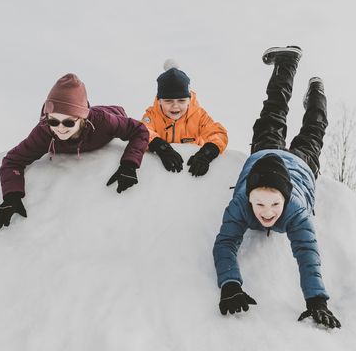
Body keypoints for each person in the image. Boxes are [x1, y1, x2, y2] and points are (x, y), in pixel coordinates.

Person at [212, 46, 341, 329]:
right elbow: (225, 243)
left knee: (311, 130)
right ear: (248, 198)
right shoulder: (241, 205)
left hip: (300, 166)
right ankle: (287, 62)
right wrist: (230, 284)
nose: (266, 213)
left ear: (286, 201)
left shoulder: (296, 212)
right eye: (259, 204)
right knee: (275, 111)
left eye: (274, 205)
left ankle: (317, 91)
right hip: (264, 158)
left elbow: (307, 253)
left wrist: (316, 300)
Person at [0, 73, 150, 228]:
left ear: (82, 118)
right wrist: (11, 196)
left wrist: (129, 165)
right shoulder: (45, 131)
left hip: (113, 113)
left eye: (68, 123)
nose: (60, 128)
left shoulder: (103, 122)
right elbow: (12, 161)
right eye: (53, 121)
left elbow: (139, 130)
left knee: (111, 113)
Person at [141, 60, 228, 177]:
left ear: (189, 100)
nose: (175, 106)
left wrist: (206, 153)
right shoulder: (152, 115)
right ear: (159, 101)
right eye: (168, 101)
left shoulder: (199, 115)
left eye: (181, 100)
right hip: (163, 174)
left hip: (190, 173)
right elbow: (143, 130)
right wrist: (161, 147)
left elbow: (218, 133)